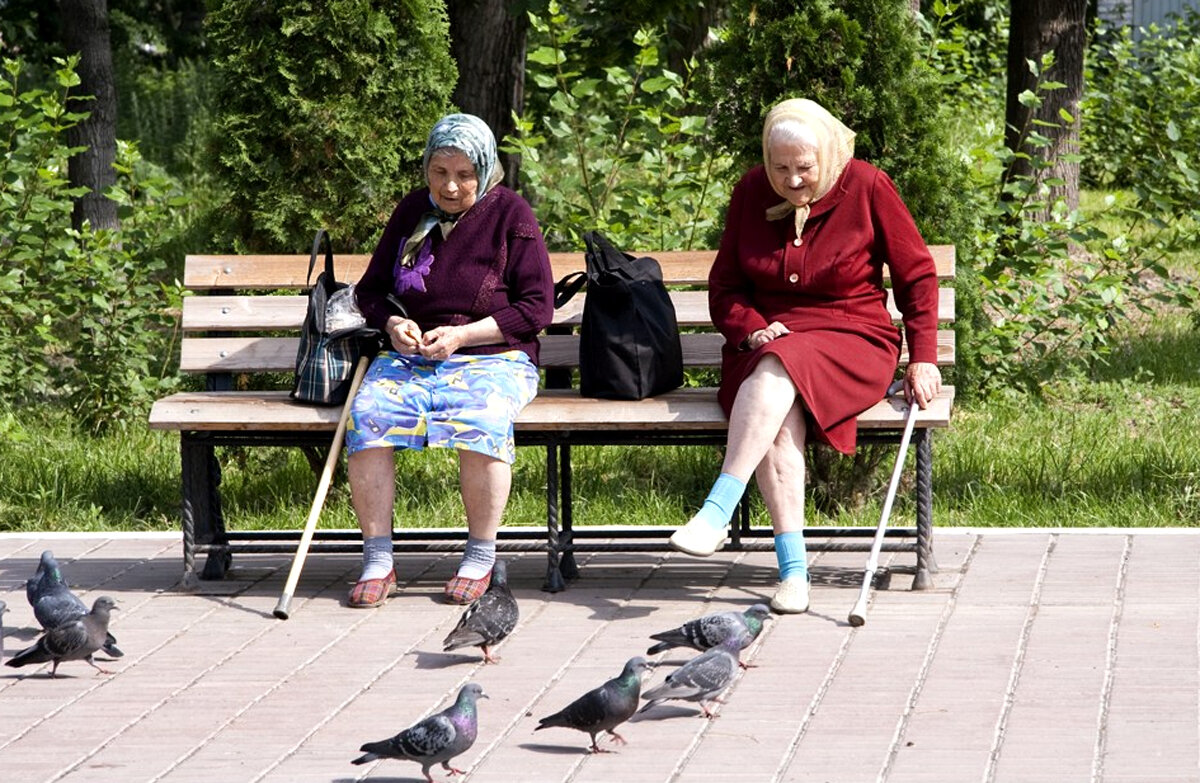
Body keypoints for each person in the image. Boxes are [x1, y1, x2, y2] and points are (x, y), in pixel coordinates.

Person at [667, 98, 943, 614]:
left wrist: (922, 356)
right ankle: (794, 574)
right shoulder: (751, 190)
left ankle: (718, 507)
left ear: (827, 154)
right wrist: (749, 330)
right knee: (777, 416)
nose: (792, 181)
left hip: (853, 339)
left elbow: (917, 274)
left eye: (804, 168)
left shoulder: (867, 185)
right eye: (780, 168)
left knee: (777, 365)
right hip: (765, 344)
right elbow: (726, 286)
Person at [345, 113, 555, 608]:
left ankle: (480, 557)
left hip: (494, 355)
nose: (452, 186)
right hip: (416, 356)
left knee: (481, 416)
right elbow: (370, 292)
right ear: (426, 170)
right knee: (368, 414)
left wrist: (463, 336)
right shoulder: (412, 211)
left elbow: (536, 308)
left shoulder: (511, 213)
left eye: (464, 174)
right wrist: (395, 326)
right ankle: (378, 559)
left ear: (485, 170)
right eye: (440, 172)